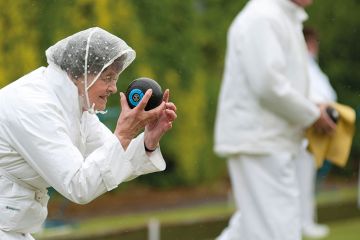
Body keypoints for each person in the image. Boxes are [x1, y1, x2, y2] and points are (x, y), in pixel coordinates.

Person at [0, 27, 177, 240]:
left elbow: (112, 158)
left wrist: (148, 140)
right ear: (80, 73)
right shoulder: (34, 106)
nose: (114, 88)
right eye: (108, 77)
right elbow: (78, 185)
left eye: (115, 78)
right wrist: (123, 133)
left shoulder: (76, 105)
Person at [213, 0, 336, 239]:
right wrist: (312, 114)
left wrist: (315, 104)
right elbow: (268, 85)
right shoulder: (264, 16)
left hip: (270, 141)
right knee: (278, 232)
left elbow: (285, 79)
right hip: (260, 141)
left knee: (250, 230)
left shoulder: (282, 16)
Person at [295, 26, 337, 239]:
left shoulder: (310, 65)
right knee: (300, 183)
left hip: (311, 132)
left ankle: (306, 222)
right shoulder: (301, 64)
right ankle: (303, 224)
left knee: (305, 182)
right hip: (303, 133)